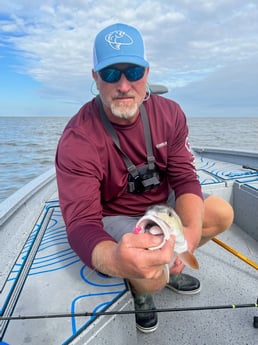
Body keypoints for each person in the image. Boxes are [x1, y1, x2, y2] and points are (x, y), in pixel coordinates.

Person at [55, 23, 234, 333]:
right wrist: (115, 259)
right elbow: (82, 224)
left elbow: (185, 177)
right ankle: (141, 288)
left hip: (161, 205)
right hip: (117, 213)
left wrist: (187, 239)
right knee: (152, 278)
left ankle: (172, 266)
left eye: (133, 72)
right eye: (111, 74)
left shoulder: (171, 113)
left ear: (147, 73)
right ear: (96, 78)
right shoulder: (78, 138)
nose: (124, 85)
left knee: (221, 213)